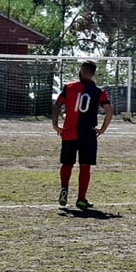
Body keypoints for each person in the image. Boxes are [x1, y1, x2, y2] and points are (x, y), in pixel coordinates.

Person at [52, 60, 113, 211]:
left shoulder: (69, 87)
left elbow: (57, 105)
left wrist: (56, 124)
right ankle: (81, 199)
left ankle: (64, 188)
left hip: (69, 131)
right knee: (85, 166)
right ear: (93, 74)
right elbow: (109, 110)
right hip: (87, 133)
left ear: (81, 70)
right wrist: (103, 128)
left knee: (67, 163)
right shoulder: (98, 91)